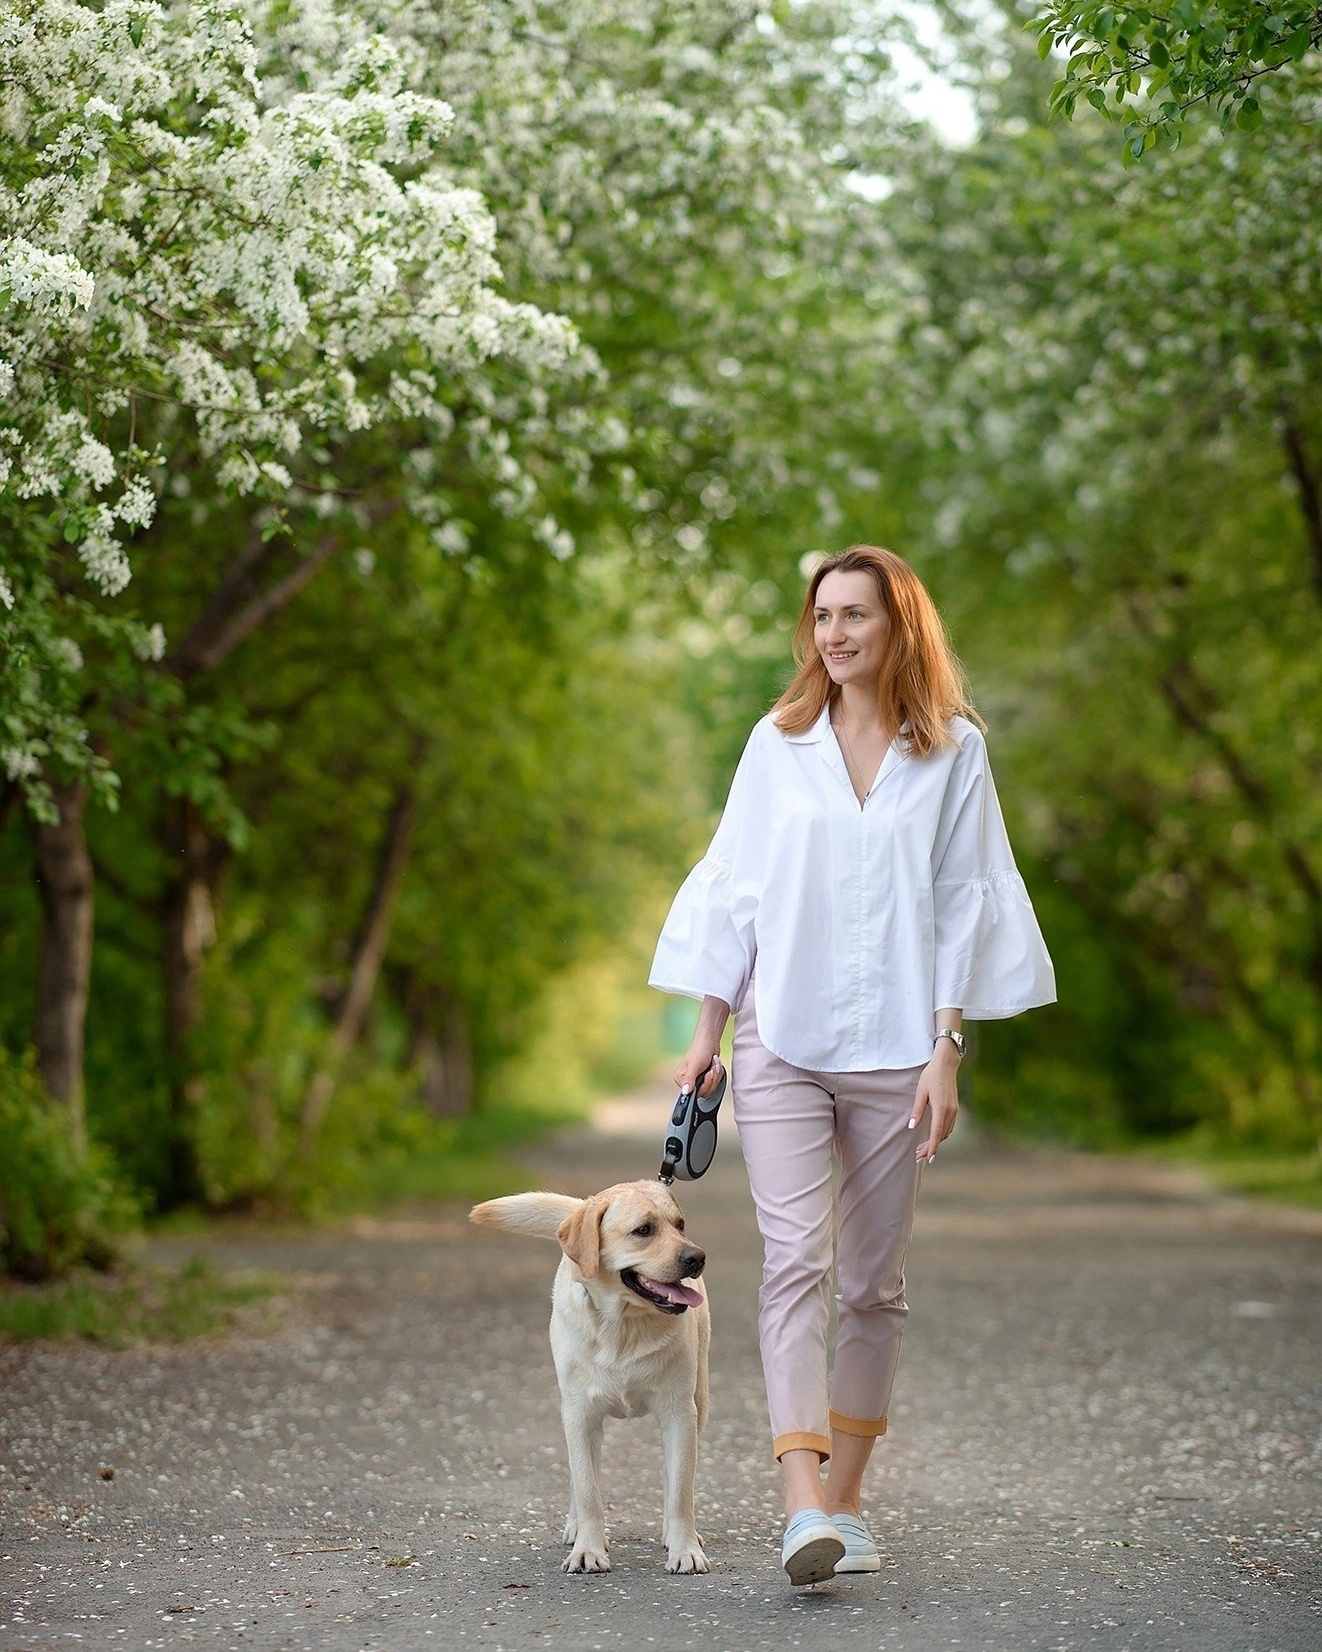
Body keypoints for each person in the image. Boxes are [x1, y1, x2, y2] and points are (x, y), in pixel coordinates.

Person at [648, 544, 1055, 1586]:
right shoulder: (775, 744)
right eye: (821, 615)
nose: (832, 633)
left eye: (854, 615)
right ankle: (799, 1506)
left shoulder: (953, 751)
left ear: (897, 626)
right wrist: (705, 1032)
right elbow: (734, 887)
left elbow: (963, 899)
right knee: (793, 1262)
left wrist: (946, 1048)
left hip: (896, 1056)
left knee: (871, 1284)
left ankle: (848, 1503)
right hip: (779, 1038)